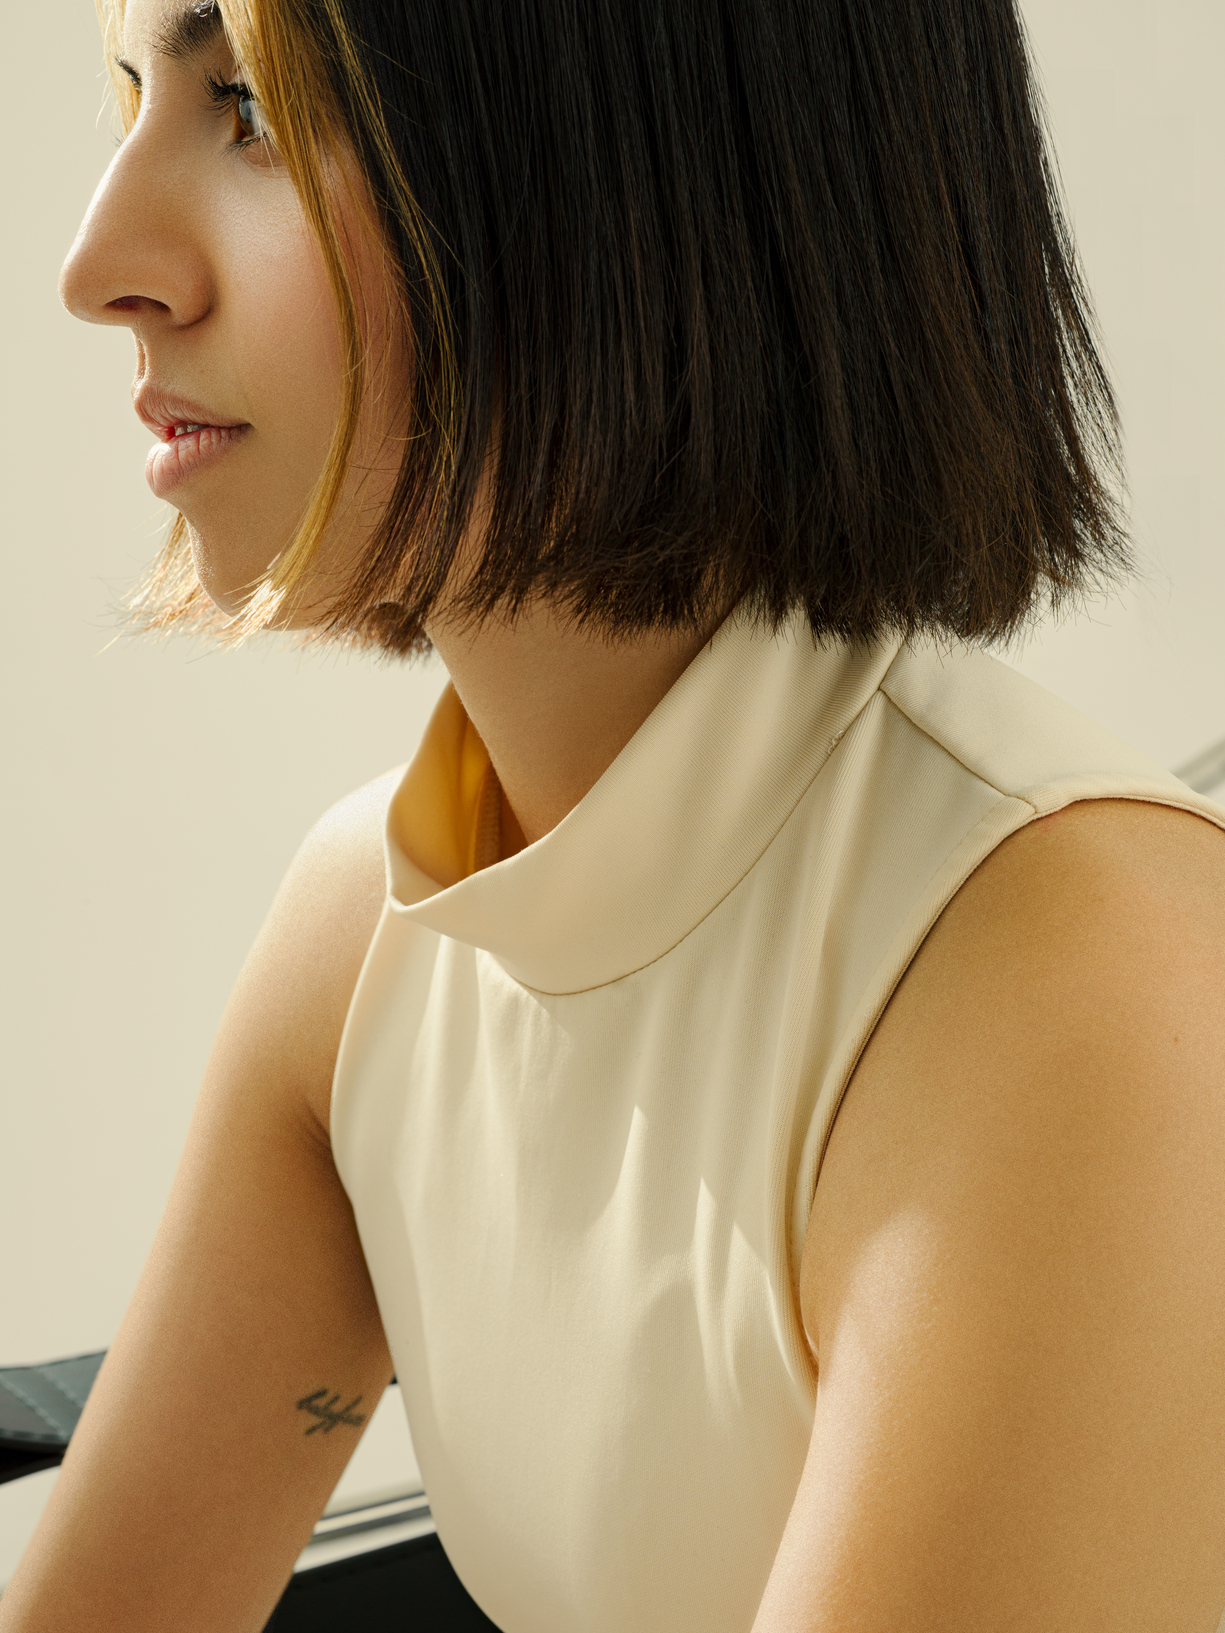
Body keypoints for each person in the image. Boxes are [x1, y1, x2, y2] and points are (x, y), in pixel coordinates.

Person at [3, 0, 1224, 1627]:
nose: (99, 265)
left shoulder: (1080, 994)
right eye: (132, 96)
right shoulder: (364, 937)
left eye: (253, 110)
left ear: (618, 164)